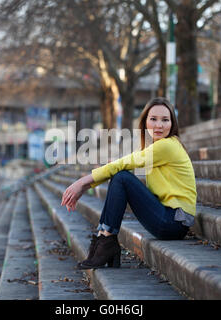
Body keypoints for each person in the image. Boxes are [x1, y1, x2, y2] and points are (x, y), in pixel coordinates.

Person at [60, 97, 197, 269]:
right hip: (168, 218)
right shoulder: (155, 147)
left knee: (122, 177)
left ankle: (107, 241)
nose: (159, 125)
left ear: (172, 123)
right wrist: (85, 185)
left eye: (165, 120)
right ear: (145, 121)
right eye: (153, 119)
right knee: (120, 177)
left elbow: (122, 164)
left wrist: (82, 183)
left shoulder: (167, 146)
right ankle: (104, 239)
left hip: (174, 221)